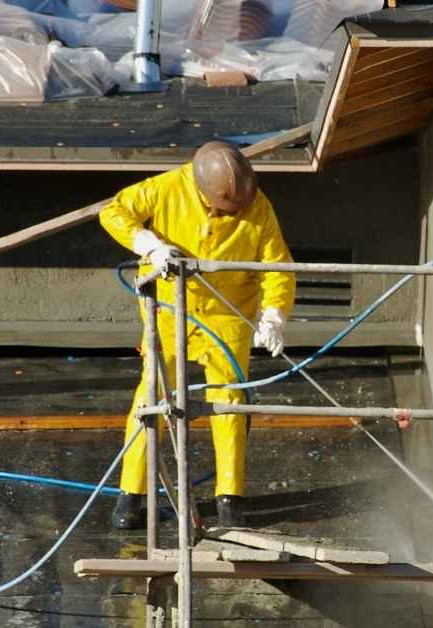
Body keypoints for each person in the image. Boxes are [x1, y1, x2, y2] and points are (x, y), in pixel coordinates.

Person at [99, 141, 296, 529]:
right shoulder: (167, 188)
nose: (237, 214)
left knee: (230, 402)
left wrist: (274, 315)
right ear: (202, 190)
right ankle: (131, 494)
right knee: (151, 397)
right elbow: (113, 211)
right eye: (228, 209)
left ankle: (229, 498)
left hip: (228, 313)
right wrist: (150, 246)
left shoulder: (259, 207)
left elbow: (277, 266)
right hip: (170, 310)